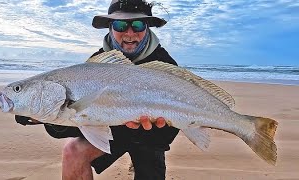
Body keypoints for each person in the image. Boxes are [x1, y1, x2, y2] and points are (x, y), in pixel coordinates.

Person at [15, 0, 180, 179]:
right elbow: (80, 122)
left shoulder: (165, 65)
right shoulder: (96, 64)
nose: (130, 33)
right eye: (121, 24)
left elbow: (167, 135)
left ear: (147, 27)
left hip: (149, 139)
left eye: (138, 25)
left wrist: (144, 130)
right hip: (111, 131)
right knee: (72, 152)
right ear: (110, 27)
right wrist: (46, 115)